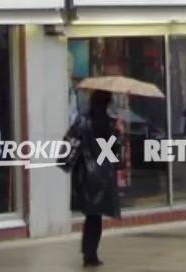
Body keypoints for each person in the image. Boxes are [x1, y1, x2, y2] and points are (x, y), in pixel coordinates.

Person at [63, 90, 120, 267]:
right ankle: (91, 254)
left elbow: (69, 143)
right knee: (96, 217)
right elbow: (112, 152)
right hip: (102, 175)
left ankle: (88, 252)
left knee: (91, 216)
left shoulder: (82, 121)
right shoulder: (107, 124)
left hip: (84, 174)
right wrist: (117, 133)